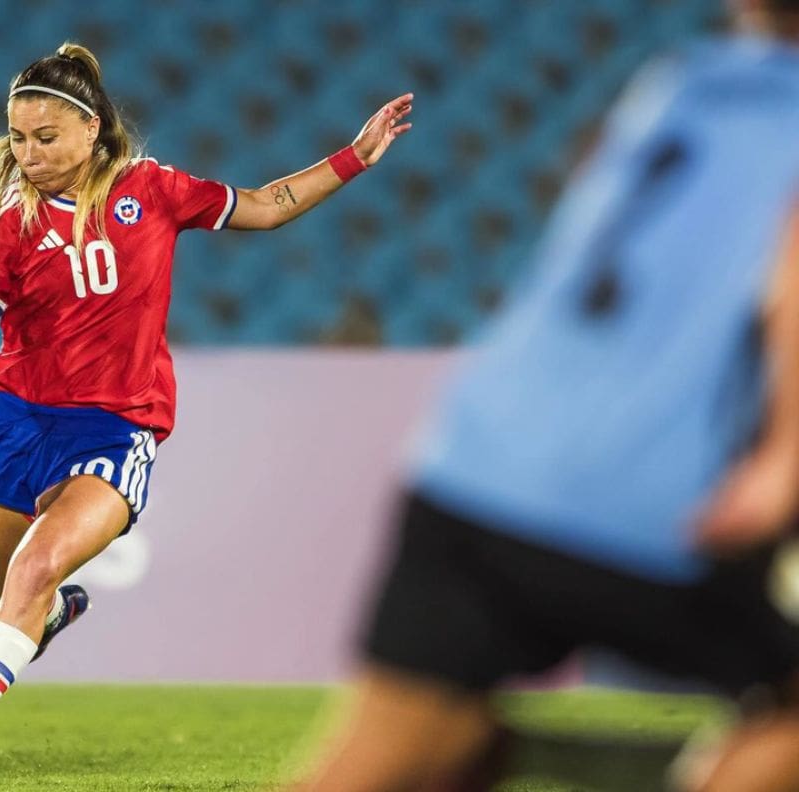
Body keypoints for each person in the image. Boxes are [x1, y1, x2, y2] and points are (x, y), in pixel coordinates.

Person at [282, 1, 799, 790]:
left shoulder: (679, 84)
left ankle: (480, 753)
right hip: (643, 502)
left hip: (472, 466)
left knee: (393, 750)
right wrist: (782, 462)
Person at [0, 41, 414, 778]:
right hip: (21, 422)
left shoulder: (152, 190)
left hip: (115, 427)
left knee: (34, 566)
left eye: (46, 138)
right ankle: (53, 611)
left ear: (94, 129)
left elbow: (262, 208)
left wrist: (354, 157)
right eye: (17, 139)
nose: (29, 154)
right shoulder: (7, 226)